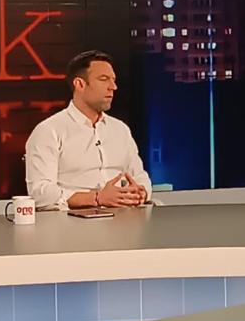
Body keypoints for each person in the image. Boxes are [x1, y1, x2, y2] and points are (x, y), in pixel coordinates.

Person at [24, 50, 153, 211]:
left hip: (125, 218)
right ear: (80, 84)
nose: (113, 87)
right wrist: (97, 198)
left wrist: (141, 192)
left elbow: (140, 176)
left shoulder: (120, 129)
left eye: (113, 80)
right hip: (73, 221)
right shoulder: (49, 131)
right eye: (104, 79)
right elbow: (40, 193)